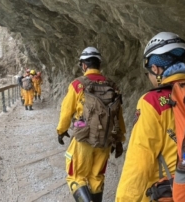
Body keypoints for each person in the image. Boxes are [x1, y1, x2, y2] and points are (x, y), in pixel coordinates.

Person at [115, 32, 185, 202]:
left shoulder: (153, 102)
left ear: (156, 69)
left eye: (149, 73)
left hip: (171, 192)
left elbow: (139, 163)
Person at [57, 47, 126, 202]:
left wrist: (61, 130)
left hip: (83, 137)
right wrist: (119, 138)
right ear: (99, 65)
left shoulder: (78, 84)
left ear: (83, 65)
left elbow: (66, 110)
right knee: (97, 176)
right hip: (106, 139)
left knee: (76, 176)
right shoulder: (113, 85)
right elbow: (118, 115)